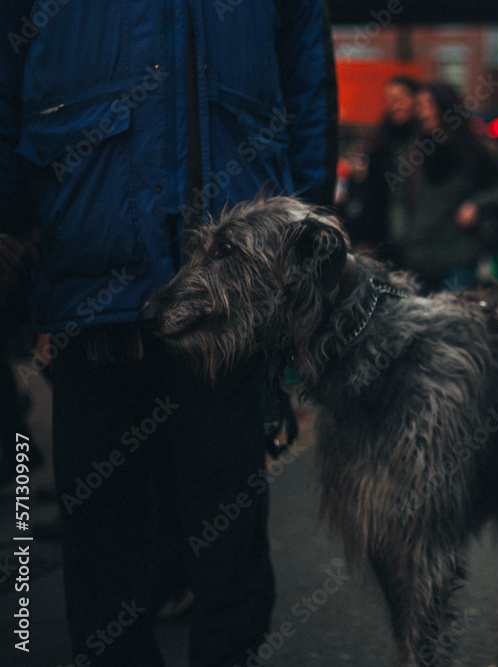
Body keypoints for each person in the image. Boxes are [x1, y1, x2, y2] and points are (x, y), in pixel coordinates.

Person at [0, 2, 337, 665]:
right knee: (102, 519)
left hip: (227, 294)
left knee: (226, 511)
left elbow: (309, 93)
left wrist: (302, 244)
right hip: (88, 271)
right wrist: (12, 224)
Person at [386, 82, 498, 291]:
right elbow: (398, 201)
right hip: (418, 260)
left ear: (445, 108)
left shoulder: (472, 151)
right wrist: (402, 238)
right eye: (419, 106)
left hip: (459, 258)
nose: (423, 112)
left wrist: (476, 205)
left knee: (455, 320)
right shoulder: (412, 152)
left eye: (429, 105)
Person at [346, 75, 421, 255]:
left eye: (400, 98)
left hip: (423, 237)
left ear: (415, 100)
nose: (395, 104)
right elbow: (371, 194)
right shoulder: (381, 144)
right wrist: (365, 238)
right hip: (388, 238)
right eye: (389, 99)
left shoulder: (427, 140)